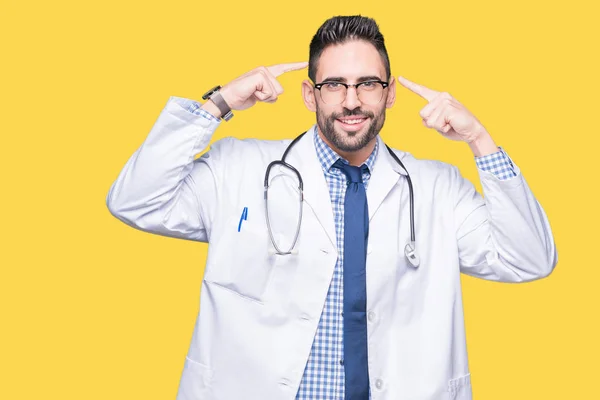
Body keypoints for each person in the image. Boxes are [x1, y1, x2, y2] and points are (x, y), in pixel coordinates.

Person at [106, 15, 557, 400]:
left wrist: (480, 141)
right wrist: (218, 103)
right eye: (334, 84)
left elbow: (529, 258)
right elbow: (135, 200)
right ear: (310, 94)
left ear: (390, 93)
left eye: (367, 84)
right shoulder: (237, 169)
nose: (352, 100)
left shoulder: (437, 187)